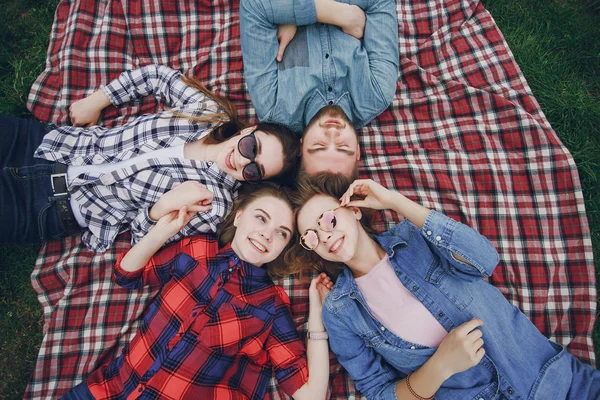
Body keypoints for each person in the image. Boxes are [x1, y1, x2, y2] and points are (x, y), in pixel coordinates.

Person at [289, 174, 600, 399]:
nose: (324, 235)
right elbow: (377, 390)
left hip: (552, 382)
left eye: (327, 220)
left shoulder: (412, 237)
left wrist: (394, 201)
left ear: (353, 210)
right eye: (311, 236)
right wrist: (439, 367)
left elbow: (484, 260)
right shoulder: (341, 310)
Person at [62, 183, 332, 399]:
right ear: (239, 216)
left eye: (282, 233)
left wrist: (317, 313)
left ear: (284, 247)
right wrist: (160, 233)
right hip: (105, 390)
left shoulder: (270, 307)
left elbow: (312, 395)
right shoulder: (196, 250)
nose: (267, 234)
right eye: (261, 218)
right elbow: (126, 275)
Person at [0, 65, 299, 252]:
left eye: (254, 170)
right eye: (251, 147)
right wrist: (100, 99)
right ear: (249, 129)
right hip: (48, 143)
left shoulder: (214, 204)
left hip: (49, 207)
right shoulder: (207, 113)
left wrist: (161, 208)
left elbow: (143, 236)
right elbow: (159, 78)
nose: (243, 161)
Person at [240, 0, 399, 178]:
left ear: (301, 147)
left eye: (319, 145)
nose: (332, 132)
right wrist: (284, 10)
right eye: (343, 147)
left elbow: (254, 6)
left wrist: (338, 14)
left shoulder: (272, 104)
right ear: (357, 150)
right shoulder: (378, 91)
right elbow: (380, 3)